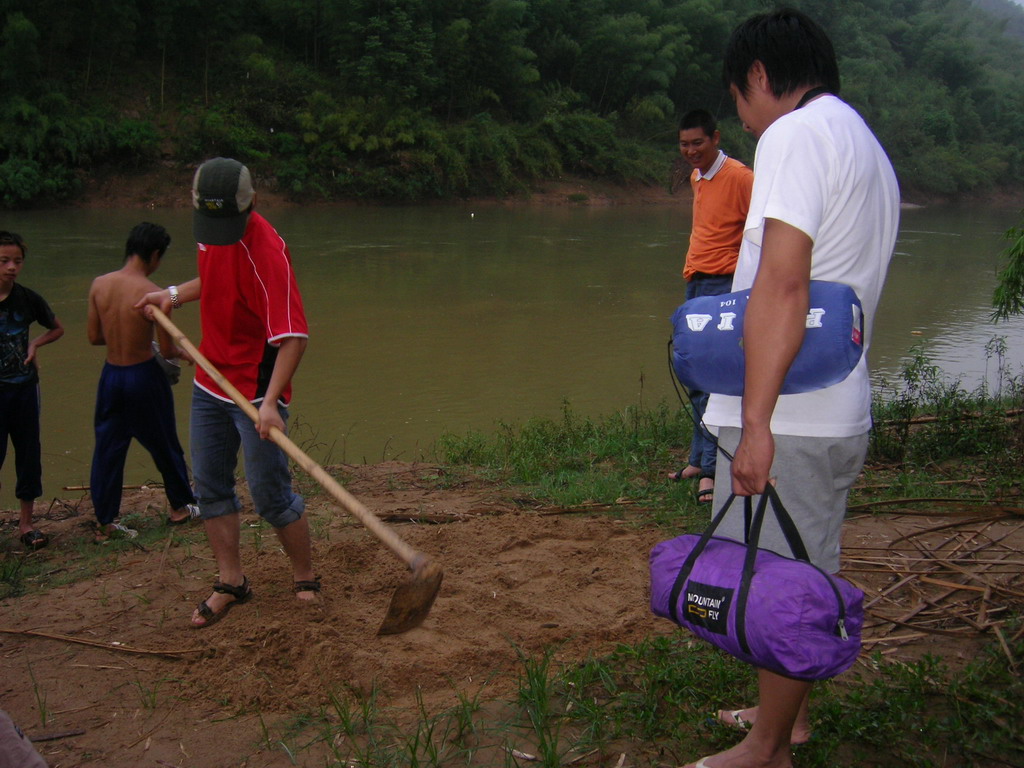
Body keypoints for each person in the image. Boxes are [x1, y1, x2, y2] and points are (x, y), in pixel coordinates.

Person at [690, 9, 900, 768]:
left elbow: (782, 284)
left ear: (757, 77)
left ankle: (767, 748)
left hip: (795, 413)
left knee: (781, 582)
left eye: (739, 102)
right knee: (798, 568)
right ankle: (786, 719)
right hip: (830, 402)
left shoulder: (796, 135)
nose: (743, 121)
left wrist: (755, 424)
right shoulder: (862, 143)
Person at [137, 157, 319, 628]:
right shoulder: (213, 227)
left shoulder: (268, 252)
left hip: (256, 389)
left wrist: (271, 404)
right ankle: (231, 581)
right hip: (209, 379)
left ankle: (305, 578)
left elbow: (294, 337)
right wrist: (172, 294)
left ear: (252, 203)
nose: (217, 231)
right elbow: (216, 278)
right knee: (212, 485)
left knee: (270, 493)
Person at [86, 222, 199, 540]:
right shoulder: (153, 294)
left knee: (108, 447)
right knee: (164, 442)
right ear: (154, 255)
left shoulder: (99, 284)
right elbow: (165, 349)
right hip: (143, 376)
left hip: (111, 375)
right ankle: (180, 507)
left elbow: (94, 336)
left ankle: (106, 522)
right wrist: (182, 352)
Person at [668, 109, 753, 503]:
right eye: (684, 144)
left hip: (723, 286)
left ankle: (712, 471)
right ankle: (697, 459)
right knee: (694, 376)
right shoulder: (697, 176)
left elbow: (763, 231)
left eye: (697, 143)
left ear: (715, 138)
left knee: (714, 380)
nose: (691, 151)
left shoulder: (740, 178)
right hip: (697, 281)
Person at [0, 231, 64, 550]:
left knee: (28, 455)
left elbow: (57, 328)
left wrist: (36, 342)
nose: (12, 267)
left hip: (24, 389)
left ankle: (26, 524)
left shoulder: (27, 298)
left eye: (17, 261)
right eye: (4, 261)